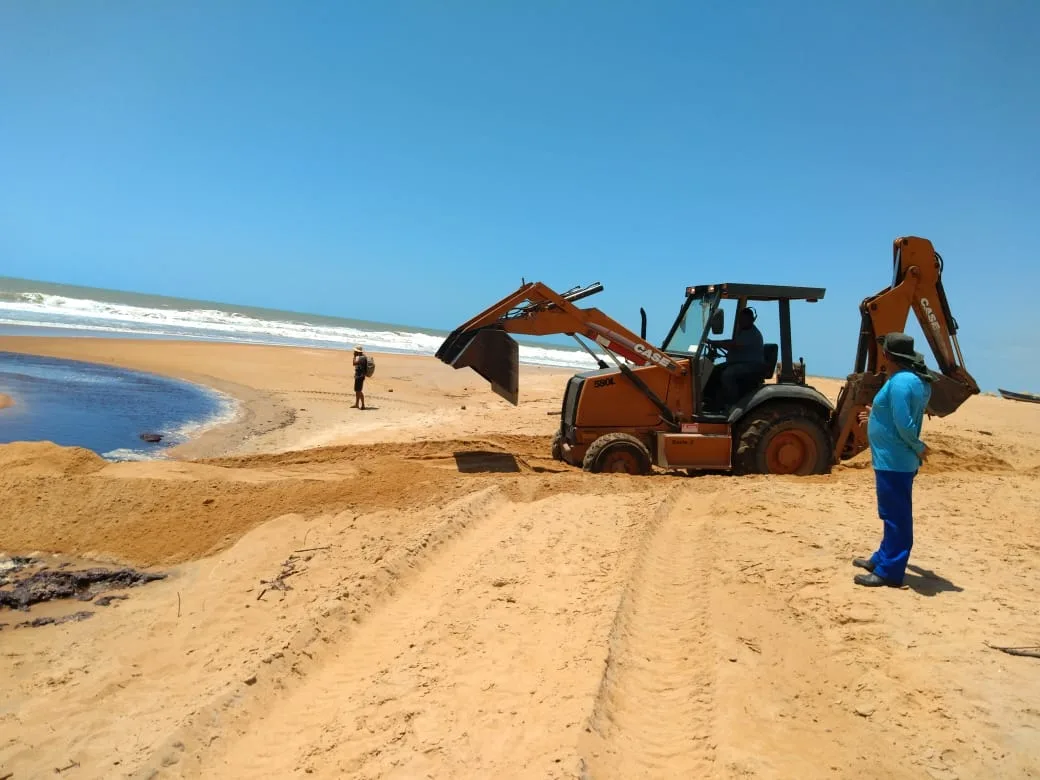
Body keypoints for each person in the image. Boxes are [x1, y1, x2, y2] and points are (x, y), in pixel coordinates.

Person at [852, 332, 934, 587]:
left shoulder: (900, 382)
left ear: (888, 355)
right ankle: (882, 558)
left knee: (896, 516)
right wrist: (876, 416)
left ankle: (890, 572)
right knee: (890, 513)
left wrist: (919, 447)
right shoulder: (912, 380)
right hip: (893, 459)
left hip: (895, 460)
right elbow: (897, 415)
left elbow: (905, 423)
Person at [708, 307, 765, 405]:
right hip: (739, 363)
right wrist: (715, 342)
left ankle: (733, 403)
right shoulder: (742, 331)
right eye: (740, 319)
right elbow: (732, 342)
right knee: (714, 370)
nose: (741, 322)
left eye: (744, 320)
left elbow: (733, 345)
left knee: (728, 374)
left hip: (751, 365)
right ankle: (712, 400)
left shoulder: (753, 334)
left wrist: (715, 342)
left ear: (752, 320)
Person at [351, 345, 368, 410]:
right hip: (359, 375)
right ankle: (357, 404)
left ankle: (363, 405)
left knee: (359, 391)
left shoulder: (361, 358)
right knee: (357, 391)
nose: (354, 352)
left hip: (359, 376)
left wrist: (354, 357)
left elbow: (354, 363)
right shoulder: (363, 357)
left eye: (355, 351)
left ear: (358, 352)